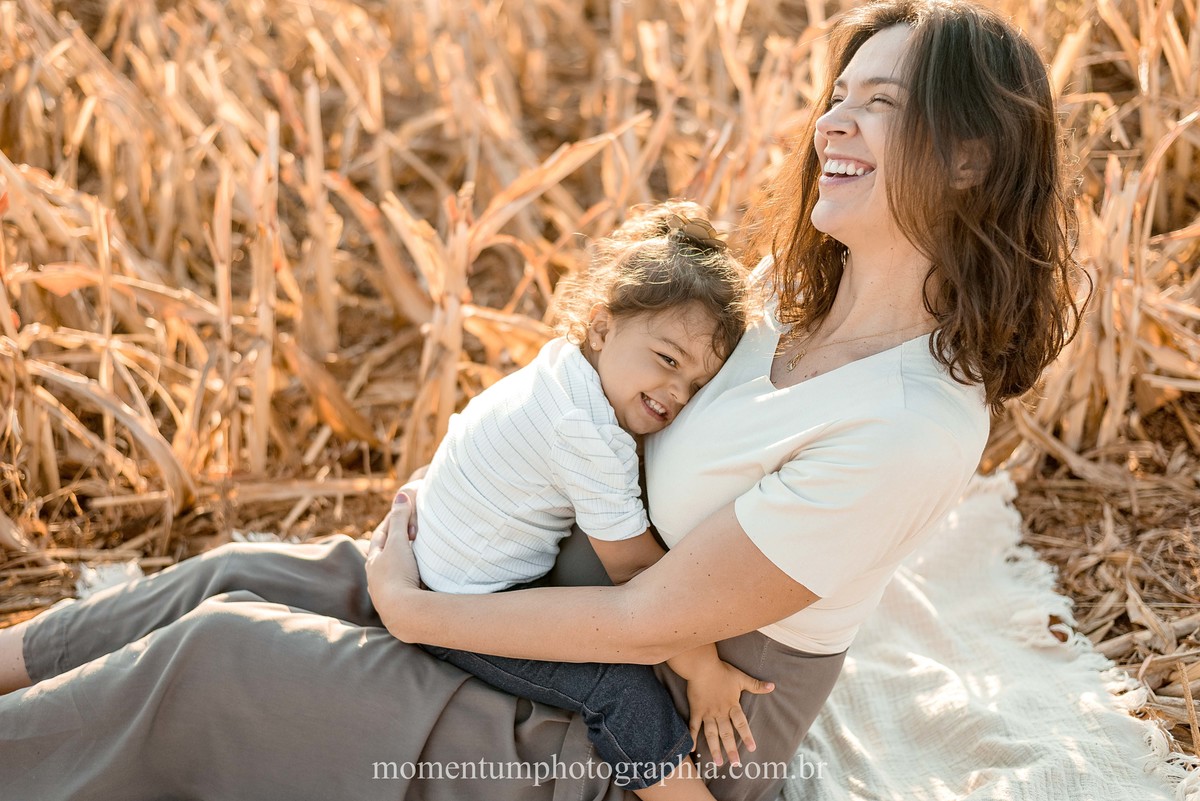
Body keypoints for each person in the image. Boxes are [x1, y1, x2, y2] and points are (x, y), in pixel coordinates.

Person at [0, 2, 1082, 800]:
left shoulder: (912, 423)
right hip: (547, 600)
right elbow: (589, 395)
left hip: (637, 733)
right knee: (237, 573)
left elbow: (649, 622)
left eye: (879, 105)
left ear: (973, 157)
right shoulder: (771, 306)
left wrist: (420, 611)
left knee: (225, 656)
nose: (831, 125)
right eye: (836, 97)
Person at [407, 199, 765, 800]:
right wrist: (703, 670)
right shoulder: (586, 431)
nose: (676, 392)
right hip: (462, 608)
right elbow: (637, 571)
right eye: (667, 360)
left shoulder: (565, 371)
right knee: (615, 683)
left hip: (453, 563)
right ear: (601, 325)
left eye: (696, 384)